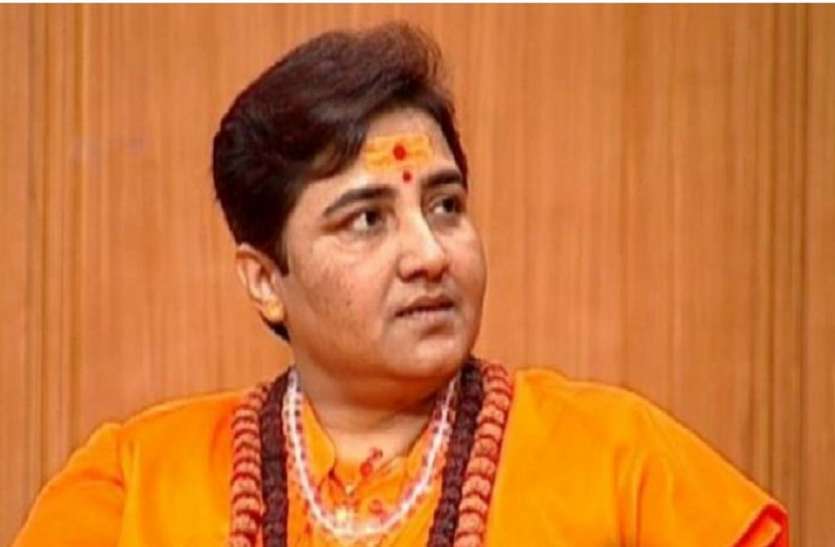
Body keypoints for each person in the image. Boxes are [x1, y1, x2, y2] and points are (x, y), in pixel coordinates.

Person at [15, 23, 788, 547]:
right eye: (366, 220)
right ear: (265, 280)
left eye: (445, 206)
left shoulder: (623, 462)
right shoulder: (134, 483)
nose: (429, 253)